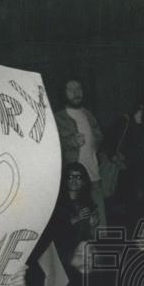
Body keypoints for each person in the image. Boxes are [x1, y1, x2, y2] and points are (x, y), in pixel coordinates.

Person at [55, 79, 107, 226]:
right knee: (78, 224)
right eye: (70, 89)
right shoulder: (58, 118)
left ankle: (100, 247)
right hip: (73, 182)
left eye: (78, 88)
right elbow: (52, 147)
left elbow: (99, 140)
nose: (76, 93)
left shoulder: (89, 114)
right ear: (63, 93)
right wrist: (71, 142)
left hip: (94, 177)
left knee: (99, 224)